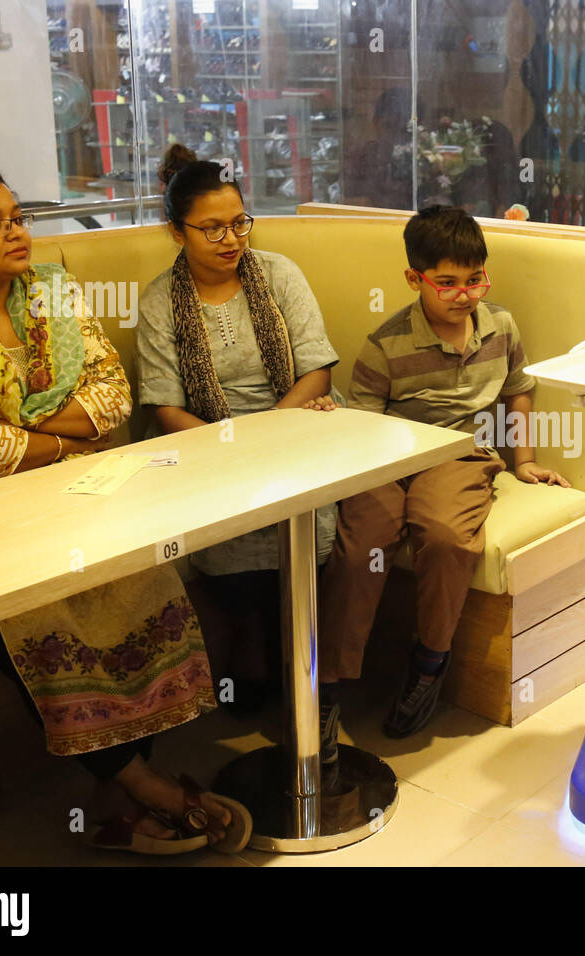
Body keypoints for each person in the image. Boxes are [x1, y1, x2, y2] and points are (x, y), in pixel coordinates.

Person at [0, 160, 250, 855]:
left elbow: (111, 391)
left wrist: (30, 440)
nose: (16, 234)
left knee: (147, 576)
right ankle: (148, 790)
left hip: (65, 491)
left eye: (16, 219)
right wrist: (59, 441)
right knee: (41, 610)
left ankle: (117, 795)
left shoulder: (51, 292)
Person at [318, 205, 569, 747]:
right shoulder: (386, 342)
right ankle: (328, 689)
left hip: (460, 454)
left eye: (474, 280)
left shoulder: (500, 326)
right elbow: (363, 424)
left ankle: (429, 664)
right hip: (388, 457)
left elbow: (518, 390)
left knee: (447, 536)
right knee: (362, 546)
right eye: (447, 283)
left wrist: (523, 461)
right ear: (415, 279)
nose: (464, 295)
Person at [136, 144, 342, 716]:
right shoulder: (159, 301)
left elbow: (317, 369)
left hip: (294, 424)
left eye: (238, 223)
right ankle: (253, 661)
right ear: (177, 233)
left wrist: (267, 440)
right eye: (212, 229)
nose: (231, 240)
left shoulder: (279, 274)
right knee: (226, 556)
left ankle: (301, 672)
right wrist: (230, 452)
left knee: (306, 538)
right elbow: (163, 405)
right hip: (203, 443)